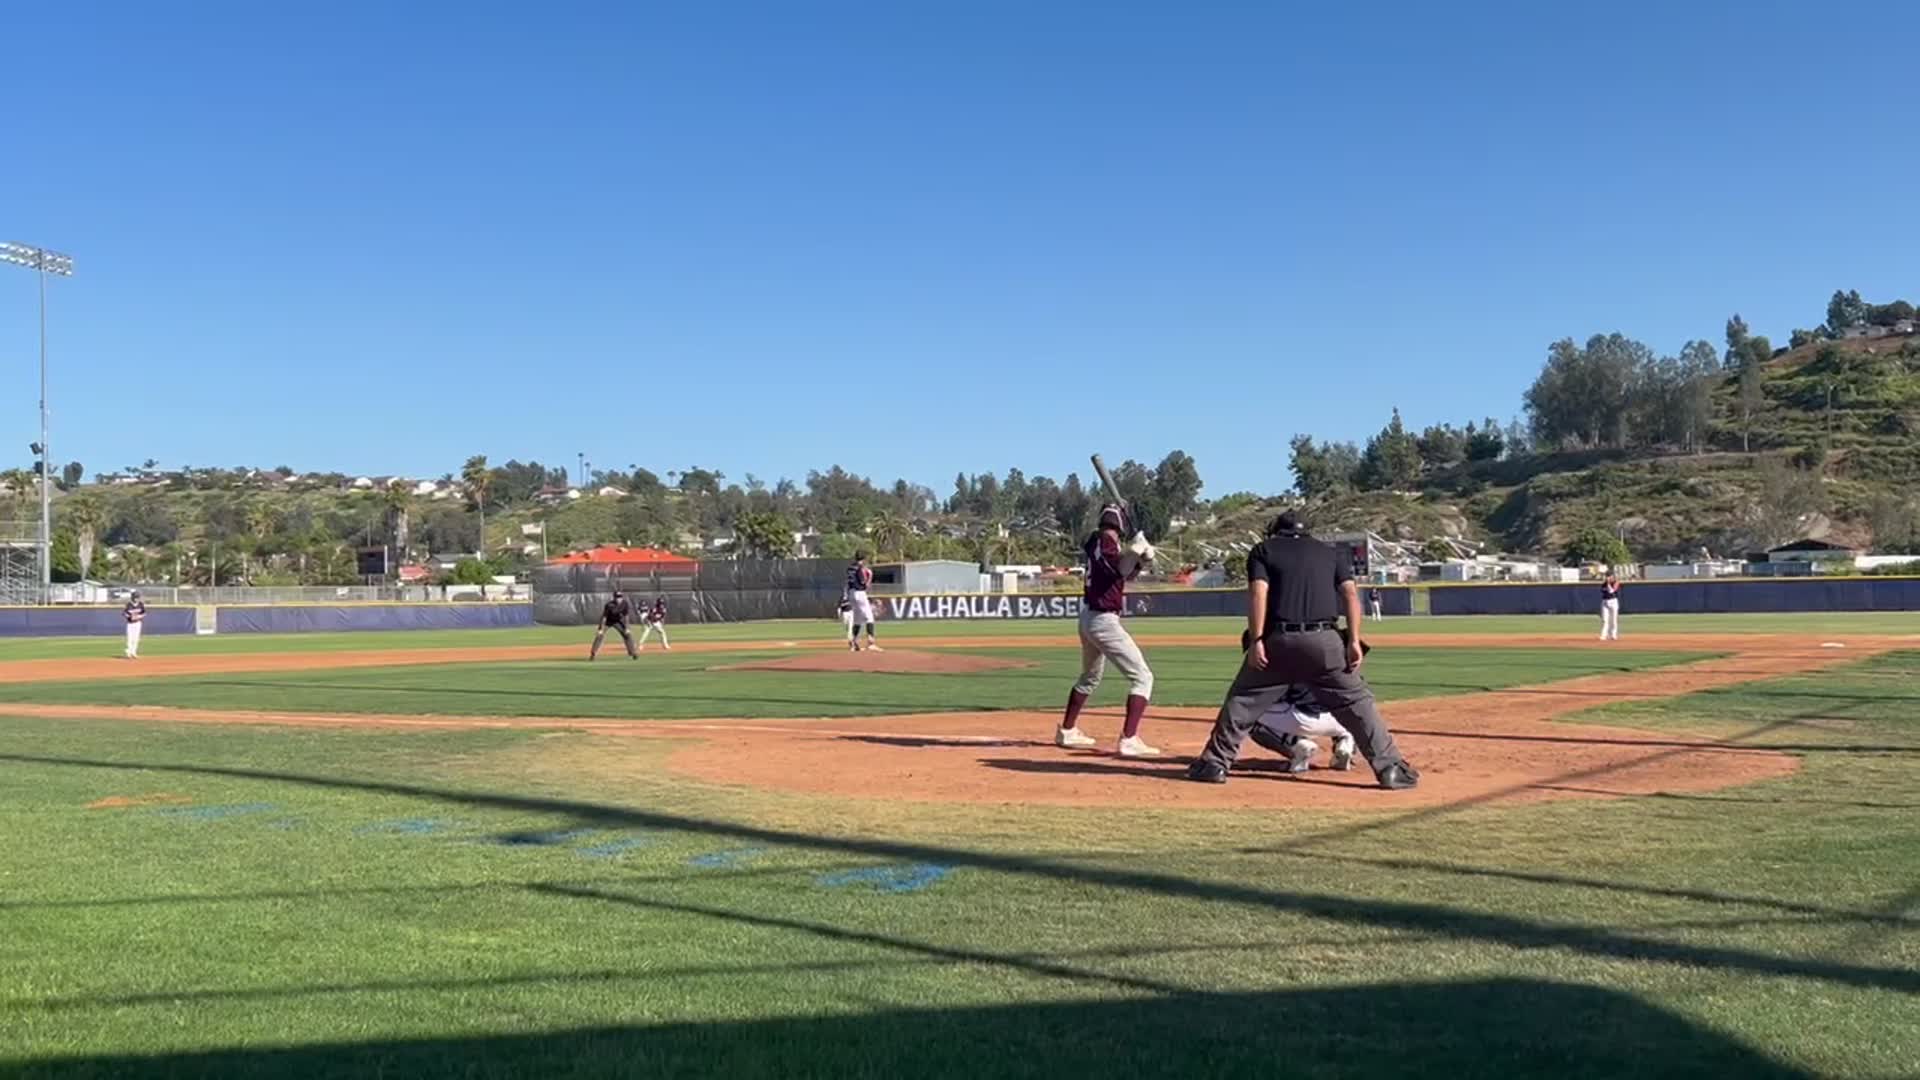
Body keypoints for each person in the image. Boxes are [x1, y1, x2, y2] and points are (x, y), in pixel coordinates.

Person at [1187, 510, 1419, 789]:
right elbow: (1349, 594)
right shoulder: (1331, 553)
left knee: (1243, 701)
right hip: (1325, 640)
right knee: (1357, 703)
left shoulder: (1263, 550)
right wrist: (1355, 639)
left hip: (1278, 641)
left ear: (1276, 530)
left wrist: (1257, 639)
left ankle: (1214, 764)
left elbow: (1259, 593)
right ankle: (1391, 768)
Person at [1055, 504, 1159, 758]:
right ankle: (1129, 739)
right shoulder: (1104, 541)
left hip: (1089, 618)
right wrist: (1134, 550)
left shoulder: (1097, 542)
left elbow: (1123, 574)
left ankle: (1067, 730)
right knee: (1143, 677)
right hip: (1103, 620)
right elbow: (1117, 569)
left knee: (1089, 677)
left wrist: (1140, 560)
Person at [844, 553, 881, 653]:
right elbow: (863, 583)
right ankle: (871, 643)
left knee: (857, 619)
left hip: (851, 593)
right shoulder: (859, 568)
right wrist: (870, 577)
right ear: (863, 559)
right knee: (869, 617)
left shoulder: (850, 568)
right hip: (859, 593)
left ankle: (853, 644)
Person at [589, 588, 637, 660]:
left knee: (627, 634)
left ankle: (633, 653)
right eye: (617, 597)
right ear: (614, 598)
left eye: (620, 597)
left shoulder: (624, 604)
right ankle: (593, 653)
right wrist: (601, 629)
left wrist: (627, 628)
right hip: (608, 621)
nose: (619, 599)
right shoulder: (609, 605)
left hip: (618, 621)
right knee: (600, 635)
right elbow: (604, 617)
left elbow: (626, 616)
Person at [122, 591, 147, 660]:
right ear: (132, 597)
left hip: (138, 623)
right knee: (130, 638)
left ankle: (134, 652)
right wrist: (129, 616)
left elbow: (144, 613)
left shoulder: (141, 604)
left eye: (138, 597)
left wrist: (139, 616)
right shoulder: (129, 604)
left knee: (136, 638)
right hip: (130, 624)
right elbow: (124, 613)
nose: (137, 599)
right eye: (136, 597)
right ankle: (128, 653)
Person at [1600, 571, 1622, 641]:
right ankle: (1603, 635)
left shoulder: (1616, 582)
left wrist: (1608, 583)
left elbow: (1611, 591)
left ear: (1612, 576)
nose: (1608, 577)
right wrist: (1607, 583)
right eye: (1607, 576)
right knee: (1605, 620)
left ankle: (1613, 635)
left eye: (1609, 576)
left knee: (1614, 620)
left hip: (1613, 602)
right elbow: (1603, 591)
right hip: (1605, 602)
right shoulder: (1604, 584)